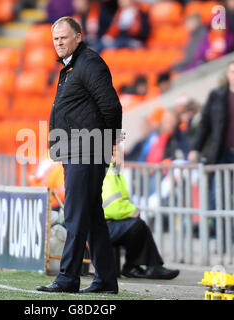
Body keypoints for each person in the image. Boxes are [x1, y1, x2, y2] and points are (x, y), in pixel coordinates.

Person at [37, 16, 122, 294]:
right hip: (77, 150)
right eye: (55, 39)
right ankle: (106, 280)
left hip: (87, 150)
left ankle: (68, 278)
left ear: (78, 36)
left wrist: (110, 142)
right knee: (93, 216)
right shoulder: (73, 65)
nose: (59, 42)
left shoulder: (89, 63)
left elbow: (111, 105)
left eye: (64, 37)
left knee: (74, 214)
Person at [103, 144, 180, 280]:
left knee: (138, 225)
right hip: (102, 226)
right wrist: (133, 211)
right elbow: (111, 207)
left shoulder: (115, 172)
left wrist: (131, 212)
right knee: (137, 225)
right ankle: (143, 267)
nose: (121, 155)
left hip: (108, 223)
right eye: (116, 152)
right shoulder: (108, 173)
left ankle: (142, 266)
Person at [188, 59, 234, 212]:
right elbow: (205, 123)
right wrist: (195, 148)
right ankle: (221, 234)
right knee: (218, 197)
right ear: (228, 74)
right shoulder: (217, 96)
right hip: (223, 152)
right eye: (233, 72)